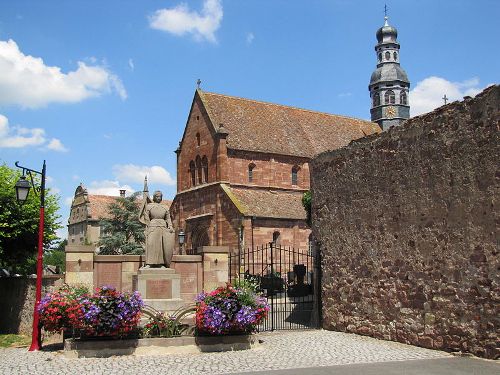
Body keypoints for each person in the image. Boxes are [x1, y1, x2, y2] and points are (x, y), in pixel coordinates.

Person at [139, 191, 173, 267]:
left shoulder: (165, 207)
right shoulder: (149, 206)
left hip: (162, 227)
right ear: (154, 197)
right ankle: (149, 263)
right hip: (152, 226)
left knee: (161, 246)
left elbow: (168, 218)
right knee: (151, 244)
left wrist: (170, 226)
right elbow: (146, 218)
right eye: (157, 196)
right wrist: (147, 227)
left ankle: (161, 264)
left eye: (160, 196)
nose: (159, 198)